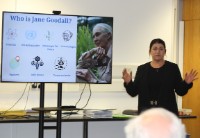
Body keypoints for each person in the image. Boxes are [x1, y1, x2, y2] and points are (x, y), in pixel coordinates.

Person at [122, 38, 198, 115]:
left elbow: (180, 91)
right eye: (155, 49)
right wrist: (128, 83)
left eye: (161, 49)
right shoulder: (142, 69)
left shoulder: (172, 68)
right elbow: (133, 92)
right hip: (146, 115)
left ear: (165, 51)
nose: (158, 51)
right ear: (150, 52)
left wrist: (186, 83)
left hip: (167, 115)